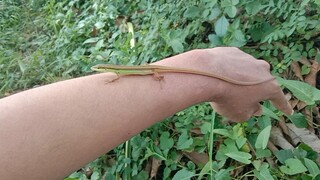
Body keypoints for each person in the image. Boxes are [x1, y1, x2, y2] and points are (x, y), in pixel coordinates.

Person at [0, 47, 293, 179]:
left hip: (154, 73)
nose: (99, 72)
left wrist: (200, 69)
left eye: (99, 70)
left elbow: (124, 76)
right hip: (154, 72)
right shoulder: (112, 73)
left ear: (105, 70)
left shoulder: (114, 74)